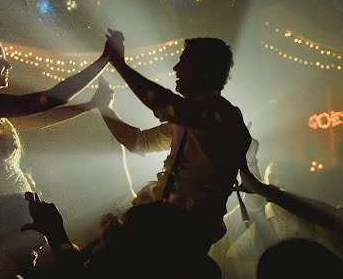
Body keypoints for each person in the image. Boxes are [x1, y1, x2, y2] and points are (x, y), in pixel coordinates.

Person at [93, 31, 253, 248]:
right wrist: (104, 108)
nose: (176, 69)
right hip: (162, 229)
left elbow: (163, 103)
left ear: (208, 71)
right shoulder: (188, 119)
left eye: (184, 62)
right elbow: (139, 142)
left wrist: (119, 62)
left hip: (181, 237)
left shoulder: (223, 116)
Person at [0, 34, 110, 241]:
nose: (7, 65)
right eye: (0, 57)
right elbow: (51, 98)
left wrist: (91, 104)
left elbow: (41, 118)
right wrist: (104, 59)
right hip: (6, 218)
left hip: (10, 211)